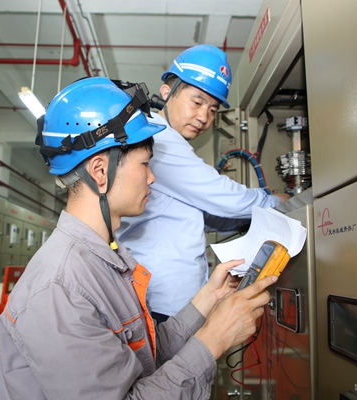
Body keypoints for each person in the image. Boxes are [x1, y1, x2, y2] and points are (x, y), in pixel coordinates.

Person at [0, 77, 278, 399]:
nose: (152, 177)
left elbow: (146, 356)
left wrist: (209, 298)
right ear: (100, 171)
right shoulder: (59, 290)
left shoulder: (106, 259)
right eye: (145, 164)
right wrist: (215, 338)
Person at [117, 44, 287, 323]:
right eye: (197, 102)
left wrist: (246, 220)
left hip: (170, 297)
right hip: (162, 300)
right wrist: (276, 201)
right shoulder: (159, 139)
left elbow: (198, 214)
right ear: (166, 92)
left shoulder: (167, 141)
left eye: (212, 109)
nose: (203, 117)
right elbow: (223, 197)